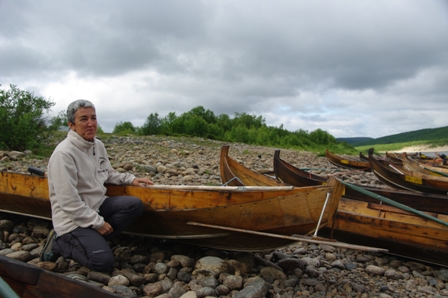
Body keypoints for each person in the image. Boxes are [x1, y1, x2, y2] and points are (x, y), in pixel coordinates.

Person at [40, 99, 153, 272]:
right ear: (71, 125)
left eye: (93, 118)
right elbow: (68, 203)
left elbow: (106, 173)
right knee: (103, 262)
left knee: (134, 205)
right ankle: (60, 243)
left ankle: (92, 239)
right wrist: (98, 223)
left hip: (96, 206)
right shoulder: (63, 154)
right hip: (71, 220)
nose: (91, 123)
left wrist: (130, 179)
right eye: (84, 119)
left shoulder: (97, 145)